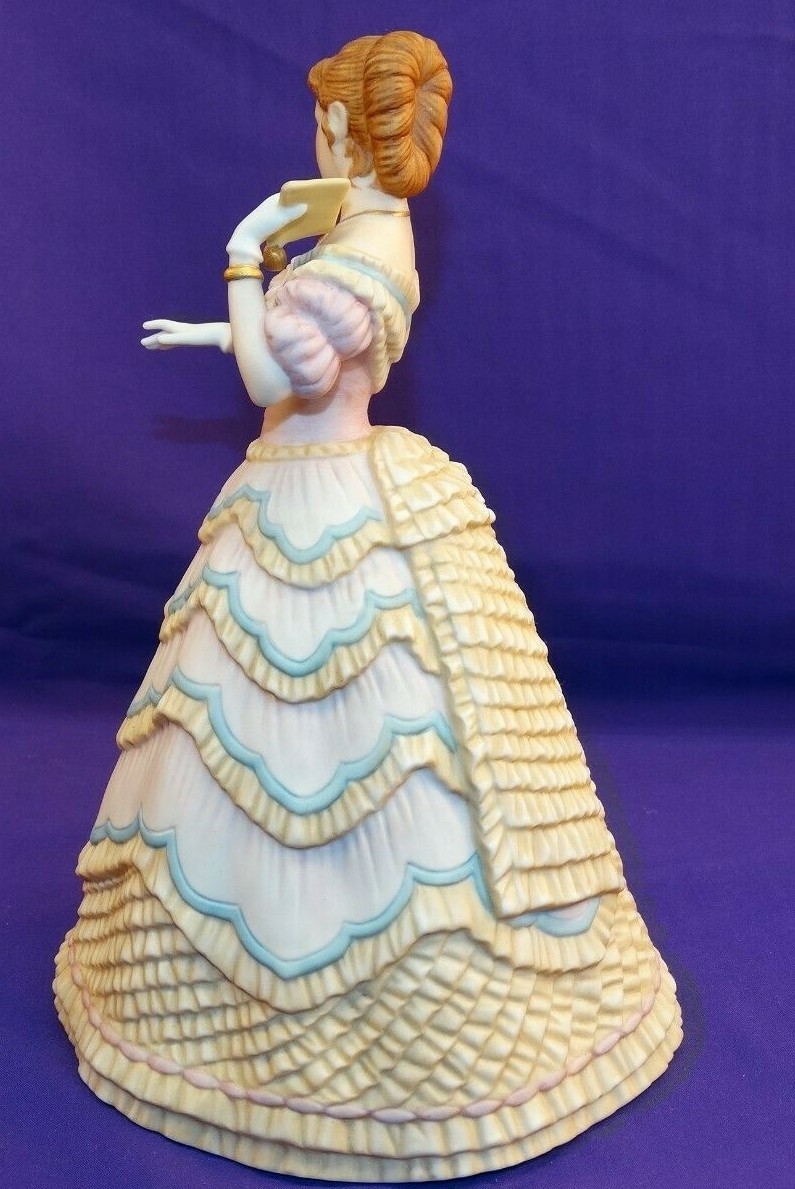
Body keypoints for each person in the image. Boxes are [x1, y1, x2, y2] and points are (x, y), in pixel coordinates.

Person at [54, 30, 681, 1181]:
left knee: (357, 735)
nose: (312, 140)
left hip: (325, 490)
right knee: (275, 731)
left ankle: (388, 1037)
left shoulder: (364, 253)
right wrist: (216, 324)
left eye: (320, 124)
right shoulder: (355, 234)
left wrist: (240, 260)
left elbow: (274, 377)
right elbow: (280, 358)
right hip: (304, 475)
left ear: (345, 130)